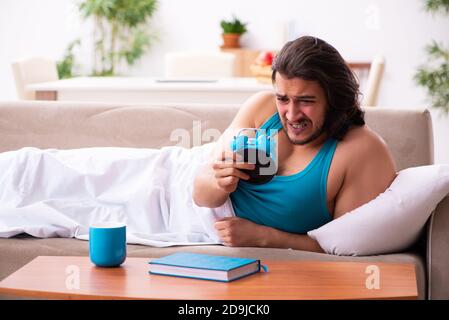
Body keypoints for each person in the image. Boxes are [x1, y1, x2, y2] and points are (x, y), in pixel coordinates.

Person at [192, 36, 396, 252]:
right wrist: (219, 183)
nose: (291, 115)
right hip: (176, 182)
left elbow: (345, 248)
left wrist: (265, 237)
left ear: (334, 99)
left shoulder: (360, 150)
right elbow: (201, 193)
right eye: (282, 99)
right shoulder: (262, 107)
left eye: (306, 101)